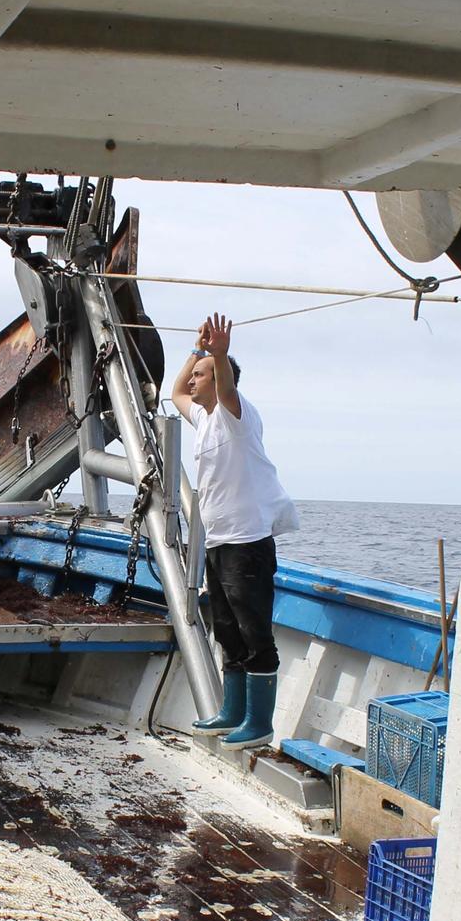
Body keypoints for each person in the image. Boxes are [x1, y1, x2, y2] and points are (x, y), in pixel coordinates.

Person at [170, 313, 299, 750]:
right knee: (225, 627)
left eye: (200, 375)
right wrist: (196, 349)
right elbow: (173, 393)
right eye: (197, 372)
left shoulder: (233, 415)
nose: (194, 380)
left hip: (248, 541)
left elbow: (225, 386)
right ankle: (232, 712)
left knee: (254, 631)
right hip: (219, 542)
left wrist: (219, 355)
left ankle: (258, 723)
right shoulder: (203, 420)